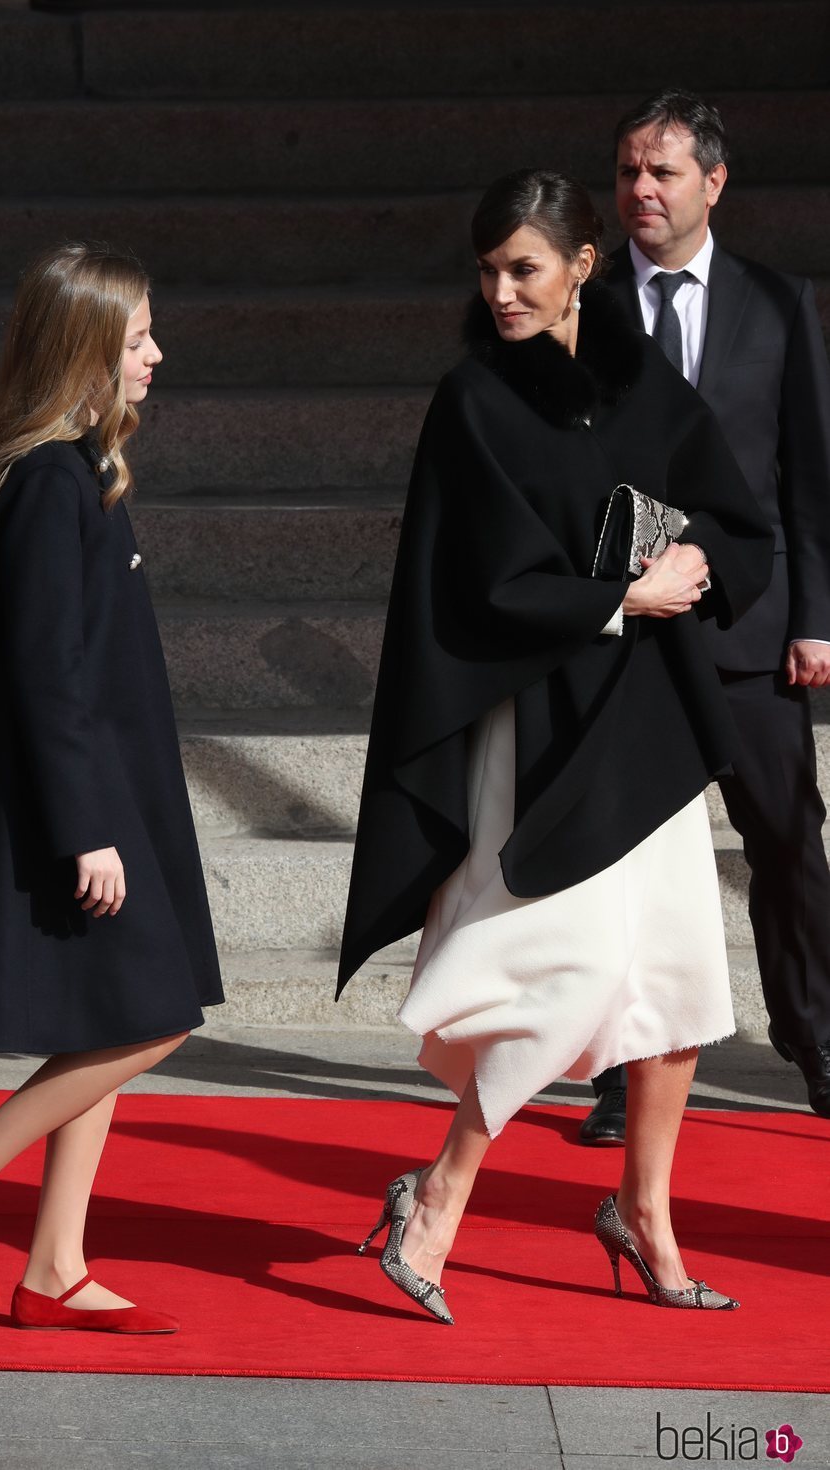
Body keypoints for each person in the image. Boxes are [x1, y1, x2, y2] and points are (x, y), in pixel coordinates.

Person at [338, 169, 773, 1323]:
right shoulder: (472, 400)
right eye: (486, 272)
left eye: (521, 268)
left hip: (651, 730)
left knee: (677, 995)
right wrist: (618, 596)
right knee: (553, 976)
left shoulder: (649, 390)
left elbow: (737, 525)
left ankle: (644, 1215)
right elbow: (472, 581)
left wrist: (696, 567)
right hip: (534, 730)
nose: (499, 292)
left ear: (583, 265)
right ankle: (434, 1199)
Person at [0, 243, 224, 1333]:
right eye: (136, 341)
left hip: (114, 797)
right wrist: (86, 829)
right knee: (156, 1018)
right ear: (83, 355)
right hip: (84, 809)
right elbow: (43, 675)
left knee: (118, 1016)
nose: (155, 357)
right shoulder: (49, 485)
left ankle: (55, 1266)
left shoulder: (80, 476)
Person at [582, 90, 830, 1144]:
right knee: (618, 860)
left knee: (784, 842)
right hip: (626, 630)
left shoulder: (776, 305)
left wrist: (813, 618)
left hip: (751, 626)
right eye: (628, 172)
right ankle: (616, 1075)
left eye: (662, 172)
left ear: (711, 183)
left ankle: (815, 1044)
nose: (640, 190)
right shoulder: (582, 308)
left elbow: (807, 478)